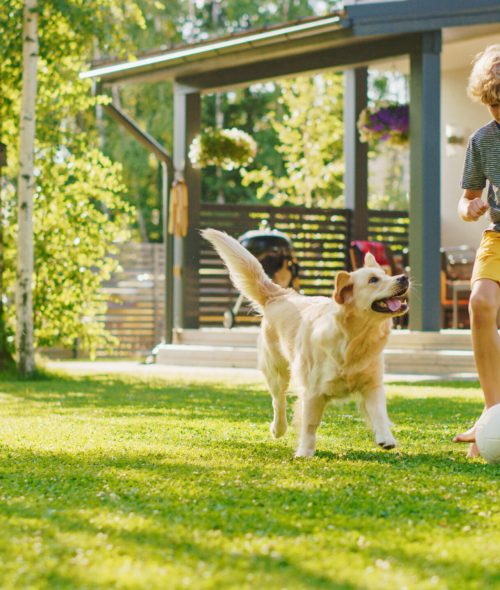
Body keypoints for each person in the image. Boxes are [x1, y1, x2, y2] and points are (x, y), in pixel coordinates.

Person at [454, 44, 500, 458]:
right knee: (481, 304)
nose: (498, 113)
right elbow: (466, 200)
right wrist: (471, 208)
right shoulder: (483, 140)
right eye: (493, 105)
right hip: (498, 236)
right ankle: (493, 414)